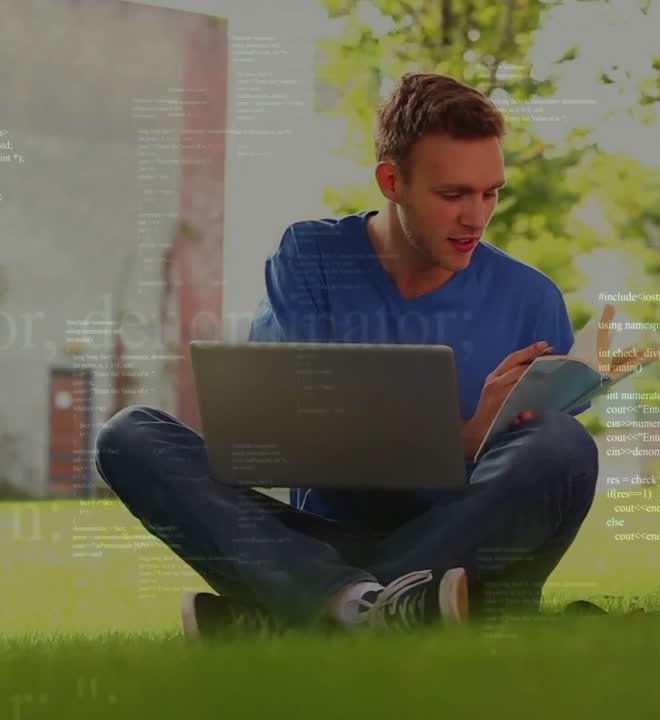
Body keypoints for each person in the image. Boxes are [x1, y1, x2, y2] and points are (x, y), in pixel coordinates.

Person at [93, 73, 600, 639]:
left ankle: (318, 607)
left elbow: (536, 489)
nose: (476, 217)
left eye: (491, 192)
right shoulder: (312, 257)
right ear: (391, 181)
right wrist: (459, 438)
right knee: (128, 435)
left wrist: (508, 432)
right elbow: (295, 437)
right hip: (320, 540)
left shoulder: (532, 299)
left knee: (564, 444)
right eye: (453, 195)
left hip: (460, 553)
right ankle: (376, 605)